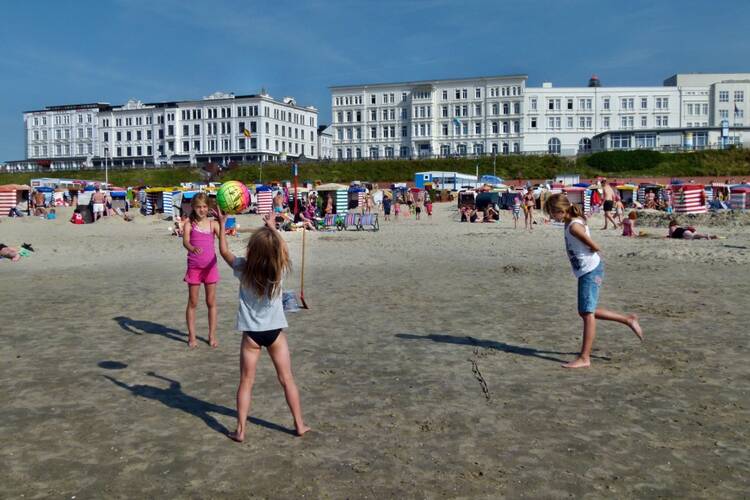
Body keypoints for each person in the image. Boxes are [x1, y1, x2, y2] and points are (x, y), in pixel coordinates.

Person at [216, 210, 310, 441]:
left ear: (252, 251)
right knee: (287, 379)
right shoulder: (277, 269)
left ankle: (240, 430)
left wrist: (221, 227)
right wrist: (272, 227)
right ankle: (299, 424)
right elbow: (283, 250)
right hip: (275, 333)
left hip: (252, 336)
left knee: (246, 382)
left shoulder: (243, 269)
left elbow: (224, 252)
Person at [544, 193, 643, 369]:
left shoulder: (574, 226)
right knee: (586, 311)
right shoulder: (571, 221)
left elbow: (595, 246)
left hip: (590, 270)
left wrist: (587, 251)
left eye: (551, 213)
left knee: (587, 314)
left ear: (559, 210)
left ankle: (584, 357)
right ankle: (628, 319)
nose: (551, 217)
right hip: (586, 270)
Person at [182, 193, 221, 348]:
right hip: (194, 267)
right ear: (193, 207)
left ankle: (212, 335)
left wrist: (222, 223)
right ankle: (192, 336)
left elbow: (224, 243)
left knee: (211, 301)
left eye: (204, 206)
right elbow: (185, 241)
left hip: (210, 268)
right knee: (193, 302)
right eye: (198, 207)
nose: (202, 210)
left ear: (208, 207)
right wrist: (192, 247)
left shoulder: (213, 224)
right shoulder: (189, 224)